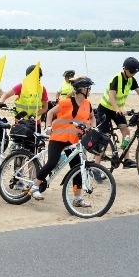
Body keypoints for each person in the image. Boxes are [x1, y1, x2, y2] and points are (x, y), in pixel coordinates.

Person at [28, 77, 96, 207]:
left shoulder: (87, 104)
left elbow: (92, 118)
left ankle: (77, 198)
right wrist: (48, 127)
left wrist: (92, 127)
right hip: (58, 138)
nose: (90, 90)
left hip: (74, 141)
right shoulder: (66, 102)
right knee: (52, 162)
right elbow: (50, 113)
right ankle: (35, 187)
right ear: (82, 89)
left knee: (77, 169)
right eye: (89, 88)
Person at [94, 57, 139, 168]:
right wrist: (117, 108)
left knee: (126, 132)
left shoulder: (131, 80)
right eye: (131, 71)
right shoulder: (117, 78)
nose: (133, 74)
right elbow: (111, 95)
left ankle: (126, 159)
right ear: (125, 69)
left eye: (135, 72)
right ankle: (96, 167)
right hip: (104, 109)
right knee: (105, 137)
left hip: (117, 110)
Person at [0, 64, 49, 131]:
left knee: (35, 141)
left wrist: (34, 115)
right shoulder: (21, 86)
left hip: (35, 123)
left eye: (38, 76)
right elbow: (6, 95)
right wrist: (1, 102)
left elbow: (45, 107)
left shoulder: (42, 89)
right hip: (20, 120)